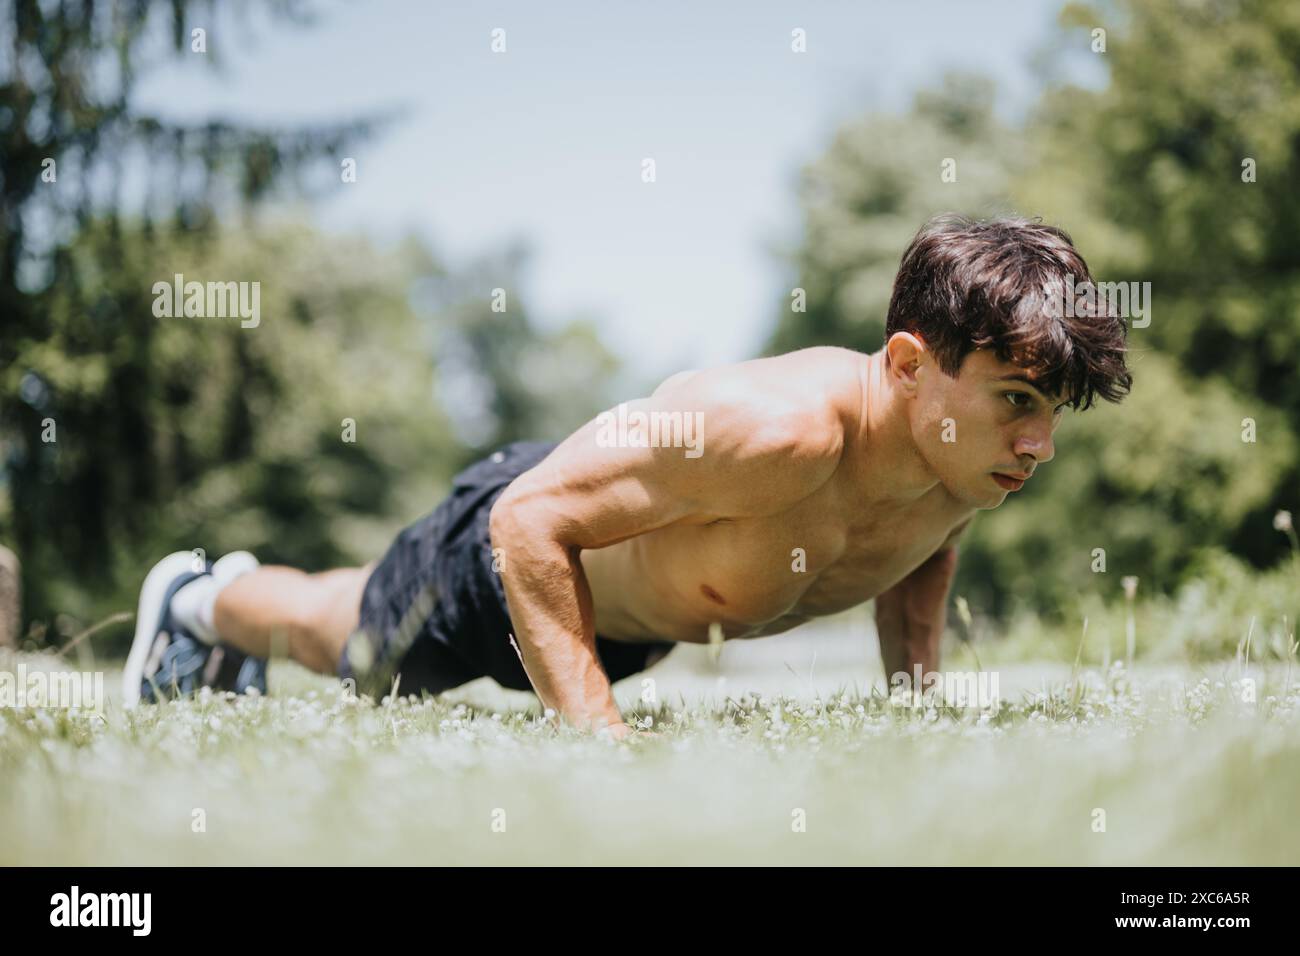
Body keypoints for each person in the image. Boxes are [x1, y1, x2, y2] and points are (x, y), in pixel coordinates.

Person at [124, 215, 1132, 739]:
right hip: (509, 551)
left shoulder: (964, 466)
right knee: (347, 643)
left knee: (345, 630)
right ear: (910, 366)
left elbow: (920, 565)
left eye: (1051, 410)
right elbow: (527, 520)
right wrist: (597, 735)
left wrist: (916, 710)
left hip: (628, 626)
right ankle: (200, 599)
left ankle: (217, 618)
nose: (1038, 444)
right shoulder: (777, 430)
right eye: (1016, 399)